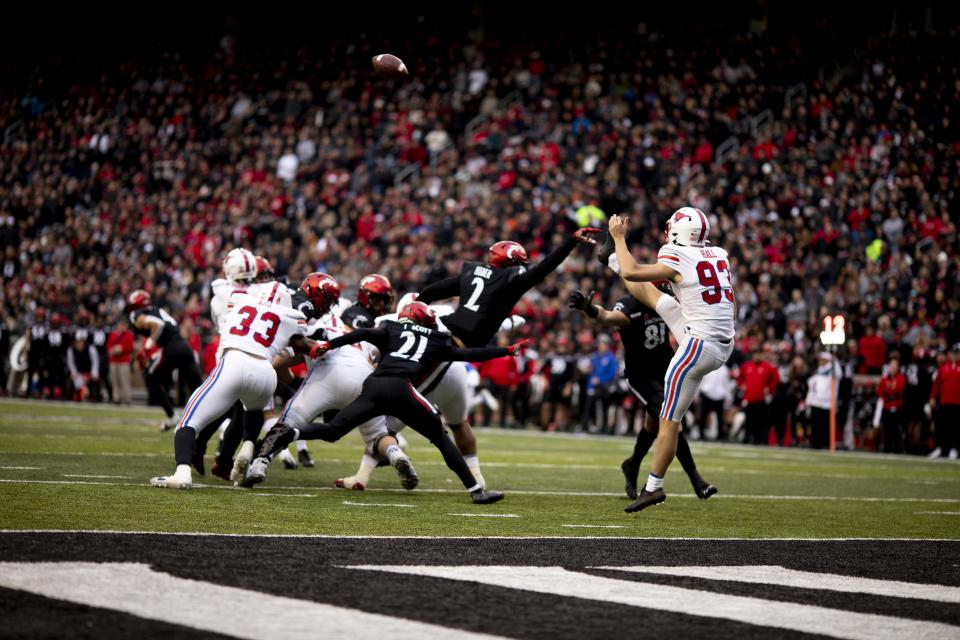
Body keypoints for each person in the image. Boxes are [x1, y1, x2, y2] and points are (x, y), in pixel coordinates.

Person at [250, 302, 529, 504]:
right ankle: (475, 490)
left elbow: (360, 335)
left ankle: (291, 432)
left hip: (373, 386)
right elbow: (472, 355)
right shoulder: (436, 339)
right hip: (402, 389)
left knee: (334, 429)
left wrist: (327, 346)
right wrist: (506, 350)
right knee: (441, 438)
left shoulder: (390, 328)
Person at [416, 227, 601, 477]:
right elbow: (543, 268)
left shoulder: (472, 273)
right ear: (513, 264)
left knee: (432, 409)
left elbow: (428, 293)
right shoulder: (510, 280)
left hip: (442, 335)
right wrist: (570, 243)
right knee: (408, 402)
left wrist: (414, 320)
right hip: (449, 348)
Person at [602, 207, 735, 512]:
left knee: (668, 422)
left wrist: (619, 238)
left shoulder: (676, 253)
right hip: (719, 340)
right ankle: (609, 261)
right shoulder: (719, 254)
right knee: (660, 302)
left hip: (698, 347)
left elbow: (634, 271)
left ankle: (653, 487)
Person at [238, 273, 417, 490]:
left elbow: (293, 353)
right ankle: (396, 454)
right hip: (364, 376)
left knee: (288, 421)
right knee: (378, 434)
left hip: (328, 373)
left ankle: (260, 463)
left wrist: (270, 367)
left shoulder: (316, 322)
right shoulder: (355, 331)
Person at [149, 279, 321, 489]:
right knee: (253, 410)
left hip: (235, 361)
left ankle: (182, 473)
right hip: (266, 372)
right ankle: (248, 447)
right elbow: (303, 344)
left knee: (187, 423)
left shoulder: (239, 301)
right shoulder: (291, 318)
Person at [568, 287, 717, 500]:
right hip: (641, 376)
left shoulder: (664, 302)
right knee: (672, 421)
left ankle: (632, 464)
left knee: (653, 424)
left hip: (665, 369)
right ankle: (696, 480)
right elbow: (610, 316)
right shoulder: (630, 304)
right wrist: (590, 309)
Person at [127, 290, 203, 431]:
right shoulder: (157, 310)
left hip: (171, 348)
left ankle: (172, 415)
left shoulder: (136, 315)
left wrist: (147, 347)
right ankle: (219, 420)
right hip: (184, 347)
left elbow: (158, 325)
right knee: (198, 388)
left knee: (150, 376)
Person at [928, 344, 960, 459]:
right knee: (942, 426)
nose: (955, 355)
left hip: (957, 403)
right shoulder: (944, 368)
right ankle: (941, 448)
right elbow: (936, 385)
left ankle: (954, 448)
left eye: (957, 353)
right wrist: (932, 397)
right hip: (944, 402)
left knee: (955, 427)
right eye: (954, 353)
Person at [804, 352, 840, 449]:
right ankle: (815, 443)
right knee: (815, 425)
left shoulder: (832, 370)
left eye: (823, 359)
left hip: (827, 403)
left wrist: (834, 361)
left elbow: (839, 373)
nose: (820, 361)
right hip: (815, 402)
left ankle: (825, 444)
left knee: (825, 425)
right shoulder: (818, 371)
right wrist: (808, 400)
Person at [875, 356, 906, 453]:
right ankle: (886, 448)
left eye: (894, 366)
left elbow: (898, 391)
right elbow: (880, 391)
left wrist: (888, 392)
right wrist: (888, 394)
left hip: (897, 407)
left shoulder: (901, 378)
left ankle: (897, 449)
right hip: (886, 407)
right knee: (886, 429)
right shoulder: (885, 379)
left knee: (896, 429)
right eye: (891, 366)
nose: (892, 368)